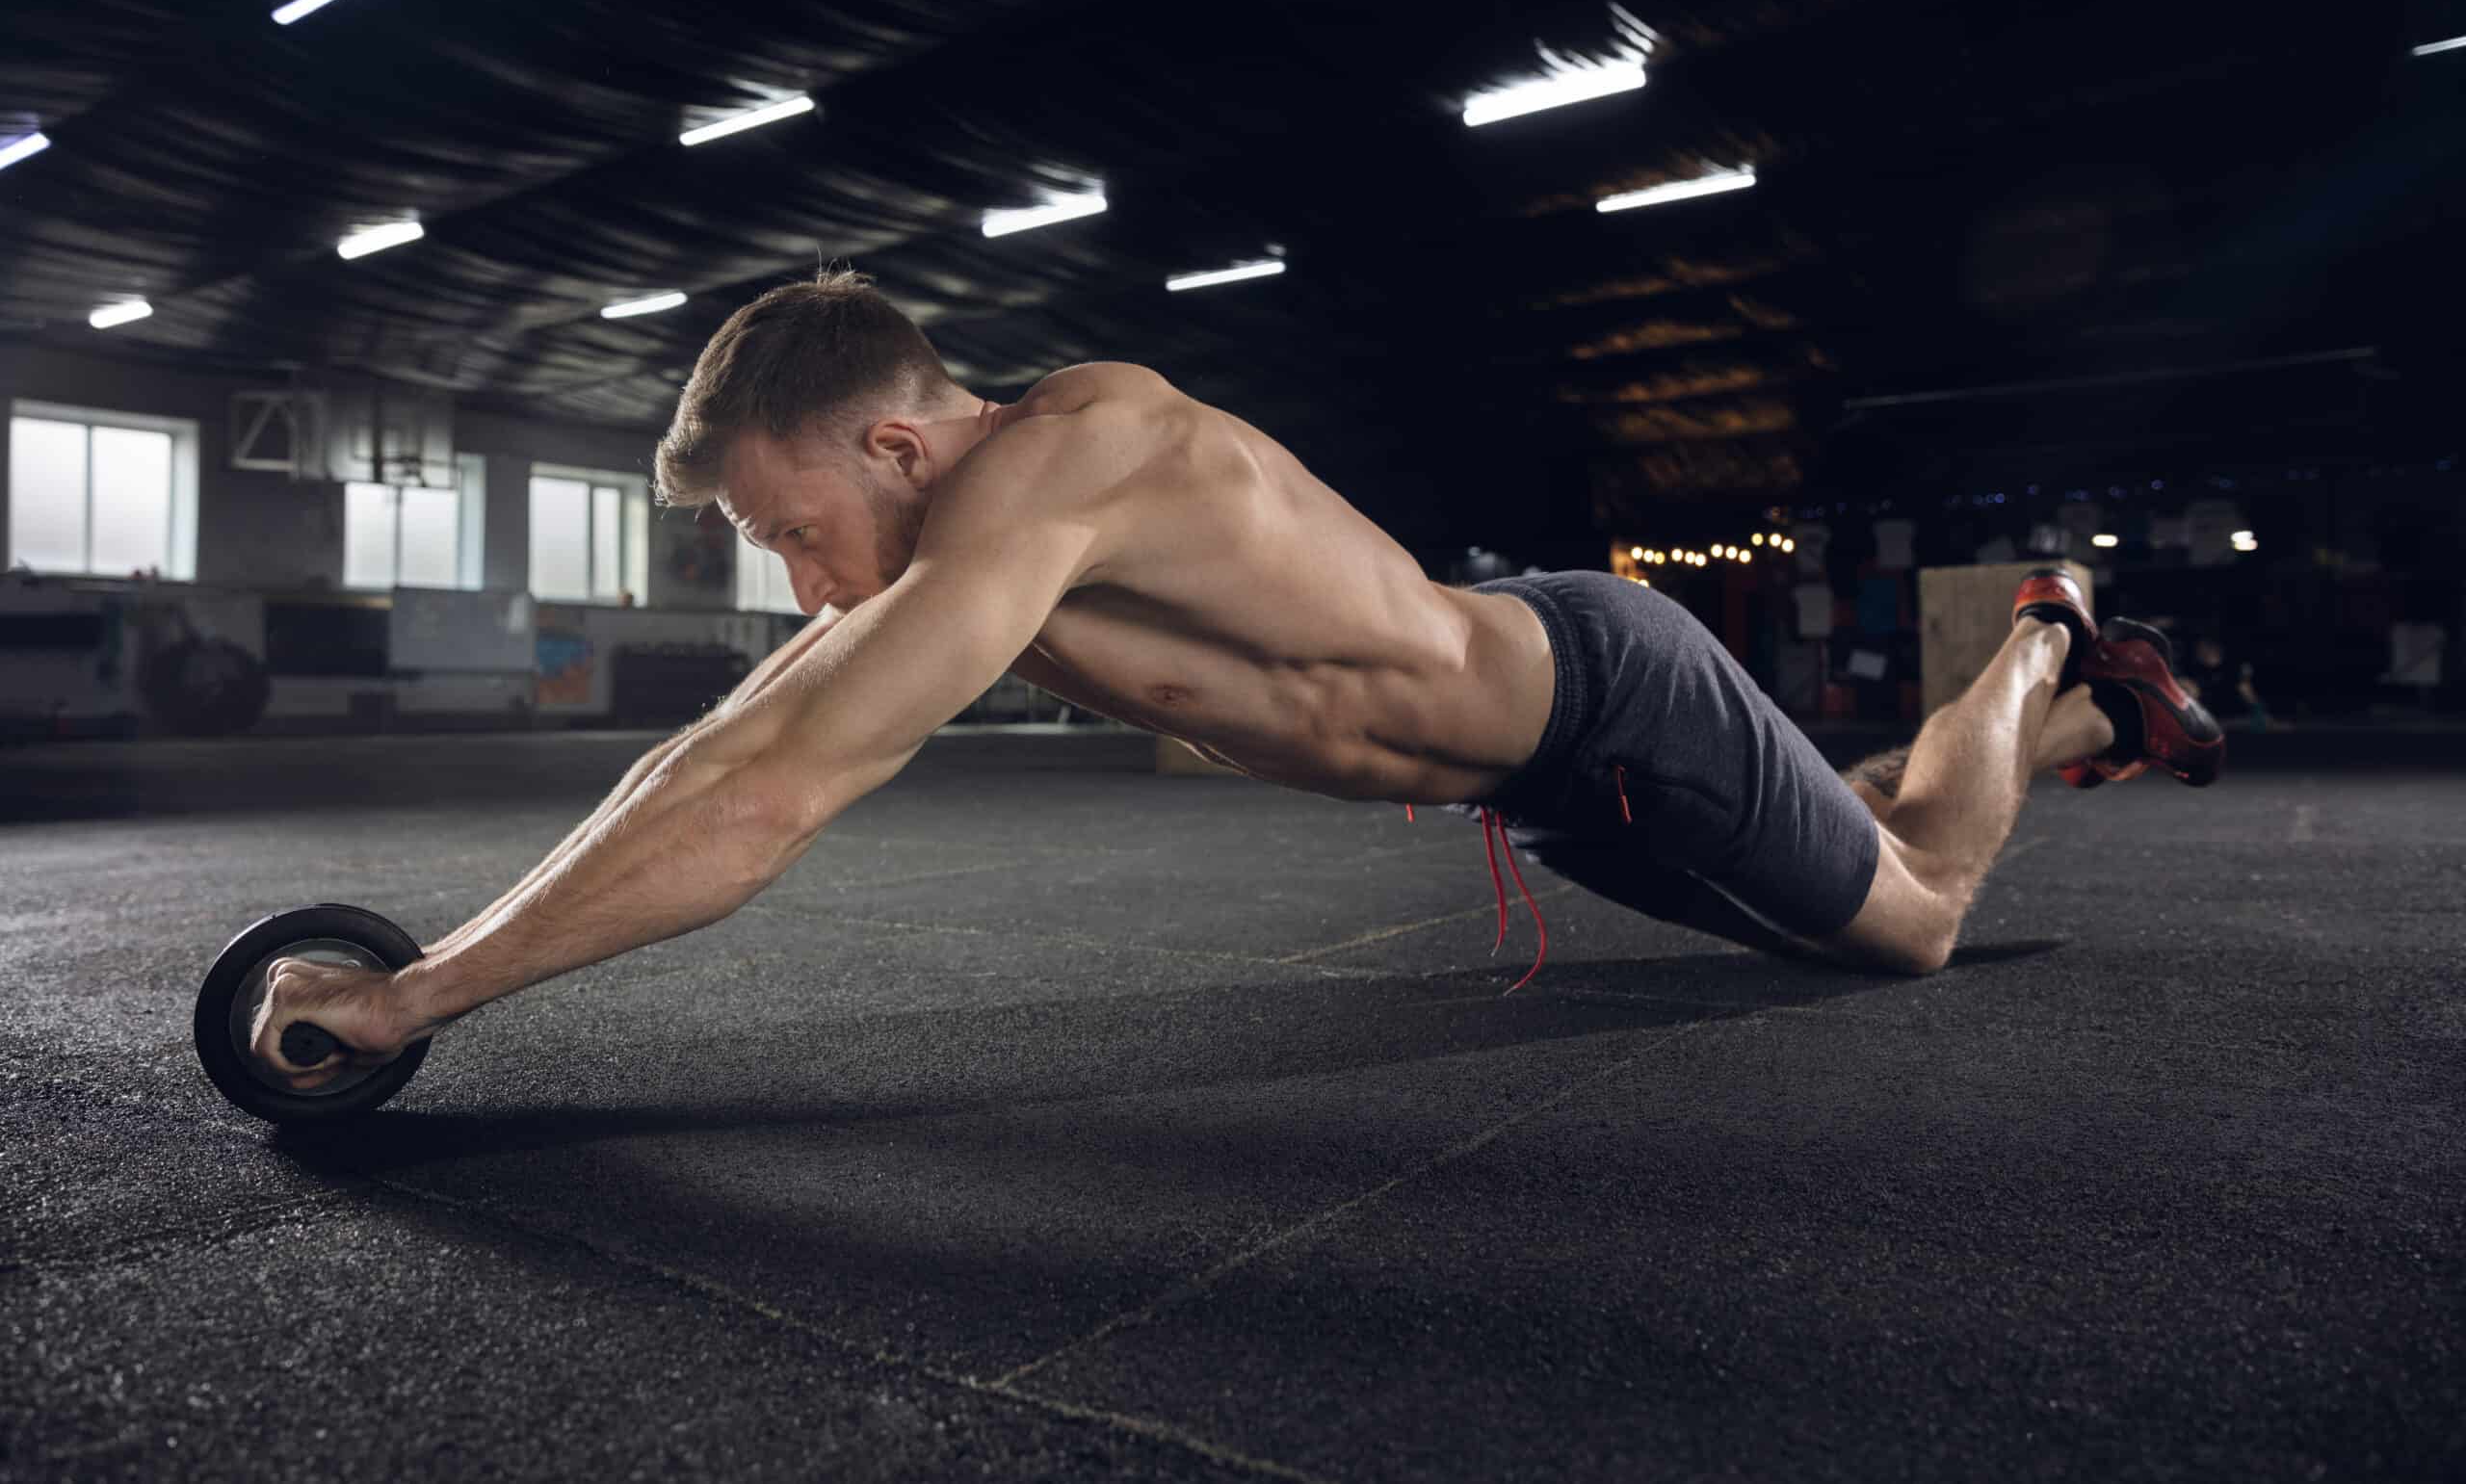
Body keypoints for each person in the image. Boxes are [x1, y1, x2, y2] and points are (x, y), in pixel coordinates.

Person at [250, 269, 2227, 1088]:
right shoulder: (975, 545)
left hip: (1607, 695)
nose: (792, 574)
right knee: (1858, 822)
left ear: (894, 446)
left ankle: (2046, 620)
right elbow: (730, 745)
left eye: (786, 523)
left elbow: (769, 789)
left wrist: (419, 991)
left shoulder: (1068, 461)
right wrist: (430, 961)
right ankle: (2080, 716)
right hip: (1543, 772)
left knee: (1909, 921)